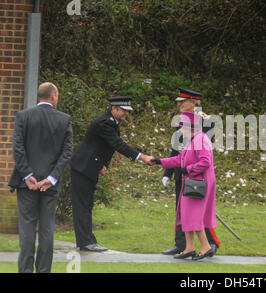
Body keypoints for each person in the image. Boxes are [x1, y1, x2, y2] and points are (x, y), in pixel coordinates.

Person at [70, 96, 153, 252]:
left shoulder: (112, 122)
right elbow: (117, 144)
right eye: (123, 111)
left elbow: (105, 146)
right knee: (82, 205)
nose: (126, 114)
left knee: (86, 205)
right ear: (114, 109)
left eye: (127, 111)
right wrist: (142, 157)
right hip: (83, 167)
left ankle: (87, 240)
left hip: (89, 166)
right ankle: (85, 242)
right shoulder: (105, 123)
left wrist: (103, 164)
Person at [9, 82, 73, 273]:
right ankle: (44, 270)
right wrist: (52, 178)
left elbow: (18, 149)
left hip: (25, 184)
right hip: (49, 185)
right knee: (46, 230)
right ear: (53, 96)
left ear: (40, 96)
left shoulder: (23, 116)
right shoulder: (64, 119)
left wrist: (28, 175)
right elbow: (67, 152)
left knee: (27, 230)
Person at [150, 111, 217, 260]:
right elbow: (180, 158)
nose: (181, 130)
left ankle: (205, 247)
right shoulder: (193, 139)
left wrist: (188, 169)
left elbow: (205, 162)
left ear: (191, 127)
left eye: (182, 127)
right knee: (186, 214)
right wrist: (159, 161)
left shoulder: (200, 139)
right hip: (192, 182)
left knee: (194, 215)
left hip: (198, 183)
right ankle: (189, 248)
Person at [161, 88, 220, 256]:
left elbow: (203, 148)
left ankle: (211, 243)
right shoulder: (182, 119)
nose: (179, 104)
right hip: (181, 168)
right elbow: (176, 148)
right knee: (182, 210)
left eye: (183, 101)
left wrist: (192, 167)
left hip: (196, 171)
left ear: (193, 103)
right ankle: (181, 245)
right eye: (179, 102)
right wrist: (167, 173)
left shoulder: (205, 121)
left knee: (198, 211)